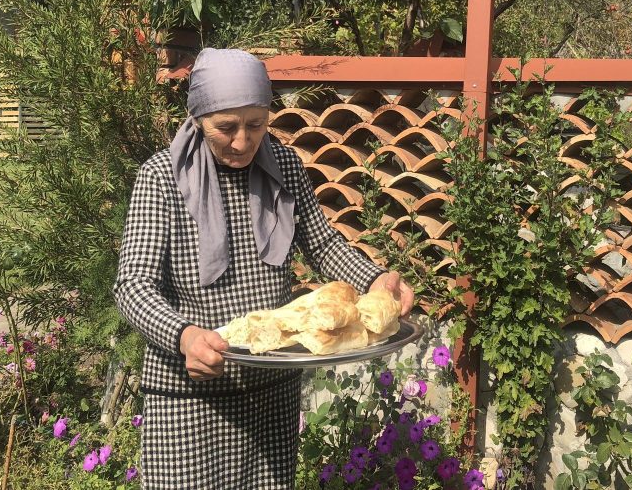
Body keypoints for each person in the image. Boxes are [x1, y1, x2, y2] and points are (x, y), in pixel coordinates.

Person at [113, 48, 414, 489]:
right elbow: (133, 286)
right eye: (226, 127)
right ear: (198, 117)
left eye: (256, 124)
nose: (242, 141)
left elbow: (324, 245)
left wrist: (374, 279)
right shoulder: (162, 178)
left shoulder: (285, 167)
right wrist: (185, 337)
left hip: (269, 395)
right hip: (190, 398)